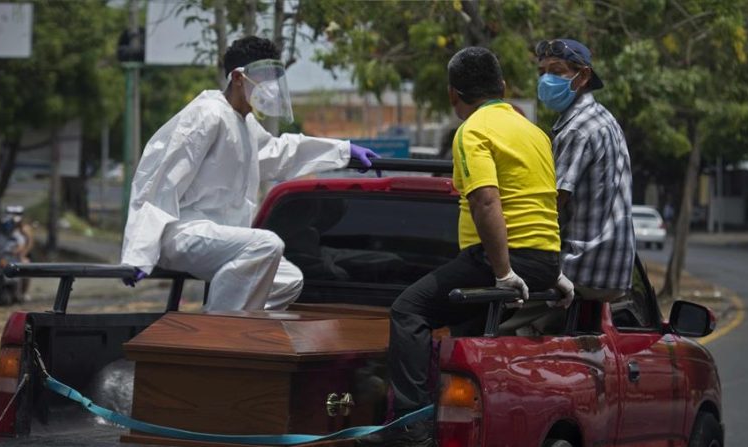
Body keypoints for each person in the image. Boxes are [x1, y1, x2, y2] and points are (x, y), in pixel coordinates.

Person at [368, 47, 573, 446]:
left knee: (409, 310)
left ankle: (410, 428)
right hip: (543, 258)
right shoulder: (535, 133)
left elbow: (486, 201)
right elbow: (540, 203)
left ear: (452, 95)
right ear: (502, 87)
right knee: (464, 335)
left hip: (503, 261)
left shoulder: (474, 130)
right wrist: (555, 270)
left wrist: (503, 272)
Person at [120, 36, 379, 311]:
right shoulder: (206, 115)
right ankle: (215, 334)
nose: (270, 87)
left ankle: (230, 325)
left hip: (219, 236)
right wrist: (139, 251)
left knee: (288, 279)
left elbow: (280, 153)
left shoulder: (245, 124)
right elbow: (162, 180)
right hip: (183, 232)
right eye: (263, 77)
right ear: (238, 77)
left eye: (273, 78)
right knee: (267, 244)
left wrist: (342, 151)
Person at [536, 39, 635, 300]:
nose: (546, 80)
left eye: (556, 72)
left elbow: (551, 206)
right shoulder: (601, 117)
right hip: (611, 271)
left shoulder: (577, 128)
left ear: (583, 76)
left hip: (581, 267)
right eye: (542, 72)